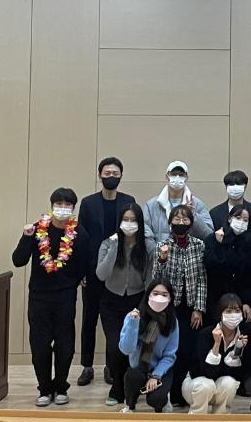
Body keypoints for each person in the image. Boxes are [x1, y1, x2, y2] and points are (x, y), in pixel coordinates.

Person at [12, 188, 91, 407]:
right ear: (52, 206)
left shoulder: (80, 234)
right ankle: (44, 389)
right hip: (39, 297)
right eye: (59, 204)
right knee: (40, 345)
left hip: (65, 297)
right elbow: (18, 260)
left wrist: (71, 283)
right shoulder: (37, 229)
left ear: (73, 208)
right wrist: (26, 237)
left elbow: (85, 265)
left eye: (68, 205)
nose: (63, 209)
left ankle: (61, 387)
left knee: (65, 346)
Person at [75, 156, 136, 387]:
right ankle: (87, 366)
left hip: (119, 272)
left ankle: (113, 366)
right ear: (100, 175)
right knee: (89, 320)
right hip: (93, 271)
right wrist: (82, 270)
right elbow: (81, 239)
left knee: (116, 323)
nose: (111, 177)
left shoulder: (128, 201)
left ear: (121, 176)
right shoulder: (88, 203)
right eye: (107, 173)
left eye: (115, 173)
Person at [96, 203, 156, 406]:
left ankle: (129, 386)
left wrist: (144, 306)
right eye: (125, 220)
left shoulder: (148, 247)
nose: (129, 224)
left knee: (132, 347)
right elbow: (101, 274)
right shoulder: (108, 243)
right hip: (111, 302)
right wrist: (114, 248)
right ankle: (116, 388)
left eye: (133, 220)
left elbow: (150, 280)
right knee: (115, 346)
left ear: (140, 223)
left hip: (136, 301)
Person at [149, 205, 207, 408]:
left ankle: (184, 393)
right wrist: (162, 259)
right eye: (177, 219)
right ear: (170, 222)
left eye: (185, 219)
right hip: (168, 307)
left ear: (191, 223)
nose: (181, 223)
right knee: (171, 349)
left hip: (190, 307)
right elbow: (156, 280)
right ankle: (169, 392)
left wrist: (199, 308)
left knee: (188, 349)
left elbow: (202, 279)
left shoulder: (199, 245)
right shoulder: (162, 245)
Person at [118, 280, 179, 413]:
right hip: (139, 367)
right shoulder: (133, 316)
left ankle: (164, 401)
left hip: (160, 369)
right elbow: (126, 349)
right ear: (148, 295)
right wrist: (133, 323)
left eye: (164, 295)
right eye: (155, 293)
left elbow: (169, 355)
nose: (159, 298)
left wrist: (156, 376)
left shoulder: (172, 322)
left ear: (170, 299)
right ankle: (129, 405)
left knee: (156, 399)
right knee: (132, 377)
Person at [183, 293, 248, 414]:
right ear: (220, 314)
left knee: (230, 383)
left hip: (219, 387)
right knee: (206, 385)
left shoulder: (243, 337)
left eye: (237, 311)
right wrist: (216, 344)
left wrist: (237, 351)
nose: (233, 314)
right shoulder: (206, 334)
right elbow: (205, 372)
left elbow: (238, 376)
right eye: (228, 311)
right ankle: (196, 417)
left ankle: (221, 417)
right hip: (196, 384)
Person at [204, 205, 251, 320]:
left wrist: (246, 302)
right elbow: (211, 267)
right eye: (238, 218)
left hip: (239, 301)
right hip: (216, 298)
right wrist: (218, 245)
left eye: (245, 220)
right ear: (230, 219)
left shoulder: (249, 244)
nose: (241, 222)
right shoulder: (213, 238)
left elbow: (249, 278)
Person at [144, 161, 214, 243]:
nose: (177, 177)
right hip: (159, 250)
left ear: (186, 177)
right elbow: (146, 234)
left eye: (181, 175)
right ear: (167, 176)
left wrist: (193, 215)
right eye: (173, 174)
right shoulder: (151, 205)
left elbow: (209, 235)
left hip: (190, 251)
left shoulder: (197, 204)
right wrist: (156, 250)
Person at [210, 170, 251, 242]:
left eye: (239, 184)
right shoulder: (215, 213)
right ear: (226, 187)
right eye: (231, 185)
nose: (235, 188)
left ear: (245, 187)